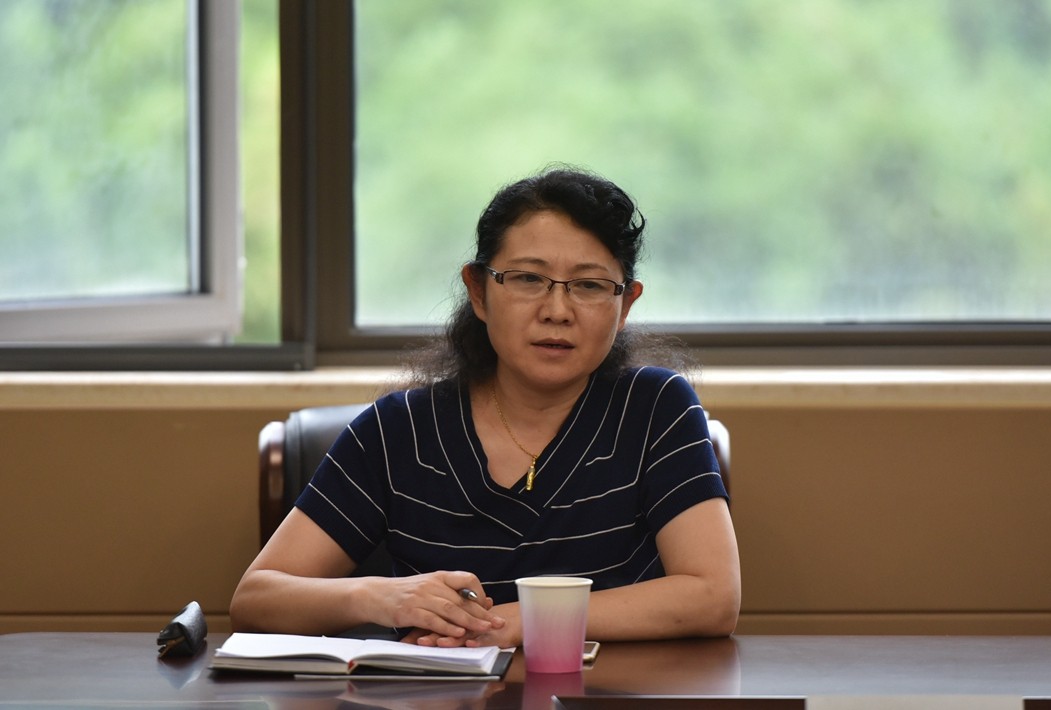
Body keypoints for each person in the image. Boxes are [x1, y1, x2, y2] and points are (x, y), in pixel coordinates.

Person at [230, 166, 741, 648]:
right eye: (528, 279)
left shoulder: (655, 409)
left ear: (625, 304)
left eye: (589, 285)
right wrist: (380, 596)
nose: (557, 311)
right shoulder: (397, 431)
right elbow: (256, 600)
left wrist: (511, 624)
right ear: (478, 292)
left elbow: (713, 596)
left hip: (607, 693)